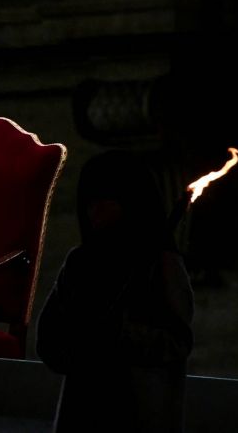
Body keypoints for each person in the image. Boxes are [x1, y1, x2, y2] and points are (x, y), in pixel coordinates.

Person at [36, 150, 195, 432]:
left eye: (104, 200)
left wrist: (118, 333)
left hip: (139, 413)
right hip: (84, 410)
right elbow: (50, 339)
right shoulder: (81, 263)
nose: (92, 210)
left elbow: (176, 341)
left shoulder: (161, 264)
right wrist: (77, 338)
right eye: (89, 201)